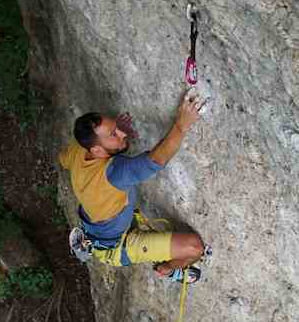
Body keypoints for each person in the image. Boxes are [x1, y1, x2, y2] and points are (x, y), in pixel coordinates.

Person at [58, 90, 209, 283]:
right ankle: (168, 270)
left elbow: (63, 158)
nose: (122, 133)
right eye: (113, 134)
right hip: (117, 247)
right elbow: (157, 159)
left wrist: (113, 135)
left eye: (116, 126)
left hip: (98, 229)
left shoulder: (79, 149)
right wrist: (182, 124)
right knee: (195, 248)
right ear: (97, 150)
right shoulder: (114, 173)